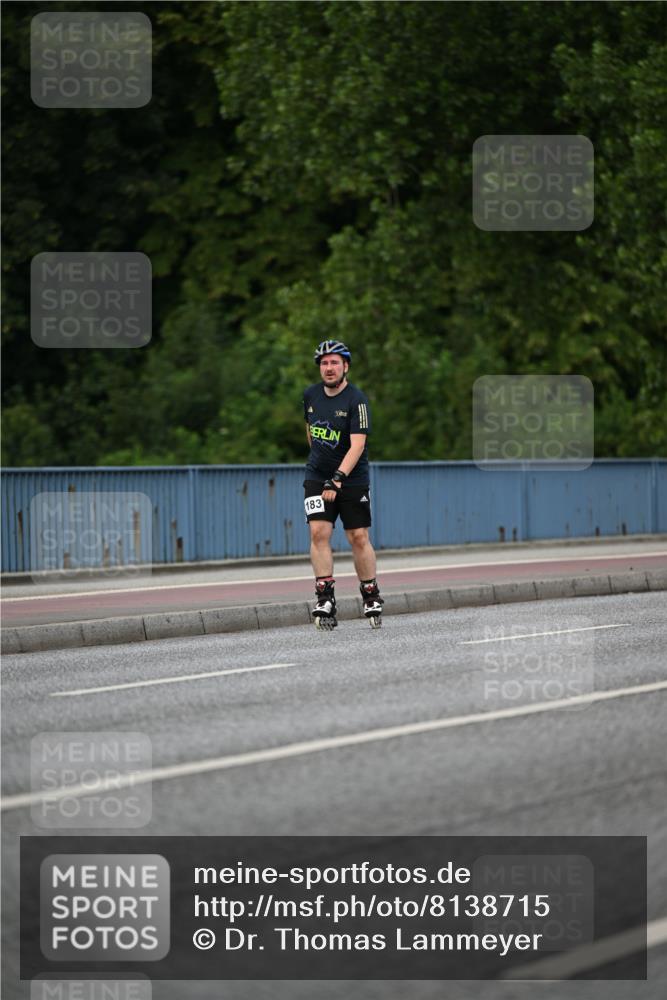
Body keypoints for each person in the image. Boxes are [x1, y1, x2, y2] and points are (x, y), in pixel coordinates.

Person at [303, 340, 384, 629]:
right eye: (324, 363)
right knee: (318, 532)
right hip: (316, 476)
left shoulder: (356, 400)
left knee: (357, 536)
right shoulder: (310, 395)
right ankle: (325, 596)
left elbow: (358, 445)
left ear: (345, 366)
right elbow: (311, 433)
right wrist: (321, 469)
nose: (329, 368)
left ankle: (370, 593)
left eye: (334, 362)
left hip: (351, 478)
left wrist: (337, 478)